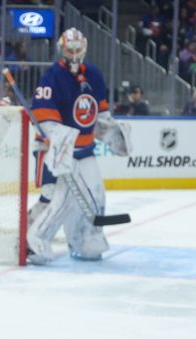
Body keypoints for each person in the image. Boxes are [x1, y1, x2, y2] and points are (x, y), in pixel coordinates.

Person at [26, 27, 132, 265]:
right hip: (56, 151)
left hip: (84, 151)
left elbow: (99, 113)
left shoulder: (93, 74)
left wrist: (111, 132)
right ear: (62, 49)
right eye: (69, 49)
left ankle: (86, 242)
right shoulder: (52, 77)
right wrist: (60, 144)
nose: (73, 53)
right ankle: (35, 243)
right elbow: (45, 119)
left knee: (96, 196)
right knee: (58, 199)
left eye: (77, 49)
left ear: (83, 48)